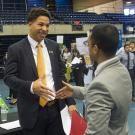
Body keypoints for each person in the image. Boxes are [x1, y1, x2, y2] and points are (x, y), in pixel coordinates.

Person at [4, 8, 76, 135]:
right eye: (41, 24)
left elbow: (60, 75)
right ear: (30, 23)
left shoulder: (53, 46)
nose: (45, 29)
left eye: (47, 25)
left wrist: (70, 102)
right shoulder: (15, 49)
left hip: (56, 110)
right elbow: (9, 78)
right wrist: (31, 86)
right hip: (32, 113)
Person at [56, 24, 132, 135]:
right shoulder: (122, 70)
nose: (87, 47)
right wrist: (74, 91)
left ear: (95, 49)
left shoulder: (100, 84)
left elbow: (95, 132)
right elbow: (108, 95)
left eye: (88, 44)